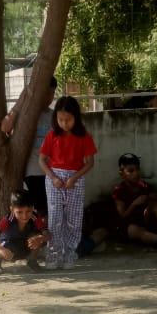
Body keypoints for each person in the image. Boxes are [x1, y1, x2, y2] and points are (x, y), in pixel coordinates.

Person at [38, 95, 97, 269]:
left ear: (76, 117)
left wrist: (74, 178)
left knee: (74, 218)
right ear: (55, 118)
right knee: (55, 217)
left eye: (68, 120)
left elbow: (90, 163)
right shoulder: (52, 135)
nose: (64, 123)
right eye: (61, 119)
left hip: (75, 180)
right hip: (54, 179)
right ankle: (53, 254)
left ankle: (70, 254)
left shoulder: (84, 137)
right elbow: (42, 160)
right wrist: (53, 177)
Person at [1, 75, 58, 217]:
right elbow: (5, 127)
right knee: (40, 212)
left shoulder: (55, 117)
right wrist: (20, 102)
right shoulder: (25, 114)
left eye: (51, 93)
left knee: (53, 212)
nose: (48, 97)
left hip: (54, 172)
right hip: (34, 172)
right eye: (46, 92)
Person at [110, 152, 157, 249]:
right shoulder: (119, 191)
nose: (136, 173)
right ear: (122, 173)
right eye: (131, 171)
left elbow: (152, 203)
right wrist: (134, 204)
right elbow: (122, 217)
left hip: (144, 220)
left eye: (137, 169)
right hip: (129, 227)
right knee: (135, 230)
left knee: (156, 204)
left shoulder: (143, 186)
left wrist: (151, 198)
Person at [0, 191, 49, 274]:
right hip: (9, 248)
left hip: (26, 245)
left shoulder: (34, 217)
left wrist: (40, 238)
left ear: (32, 208)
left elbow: (48, 234)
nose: (24, 216)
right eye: (20, 212)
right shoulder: (8, 220)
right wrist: (0, 248)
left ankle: (32, 261)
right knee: (7, 247)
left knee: (36, 236)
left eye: (28, 211)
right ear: (12, 209)